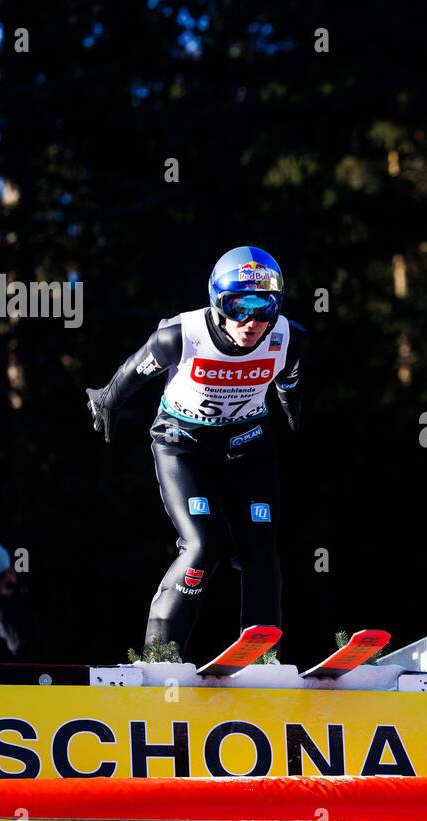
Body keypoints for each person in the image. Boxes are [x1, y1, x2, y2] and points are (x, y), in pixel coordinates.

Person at [85, 246, 307, 658]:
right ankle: (160, 654)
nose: (251, 322)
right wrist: (106, 401)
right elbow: (127, 377)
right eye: (239, 306)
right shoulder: (181, 336)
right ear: (217, 301)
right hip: (182, 446)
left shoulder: (288, 337)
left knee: (261, 550)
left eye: (265, 308)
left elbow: (288, 382)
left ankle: (262, 655)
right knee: (203, 546)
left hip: (248, 447)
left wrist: (292, 408)